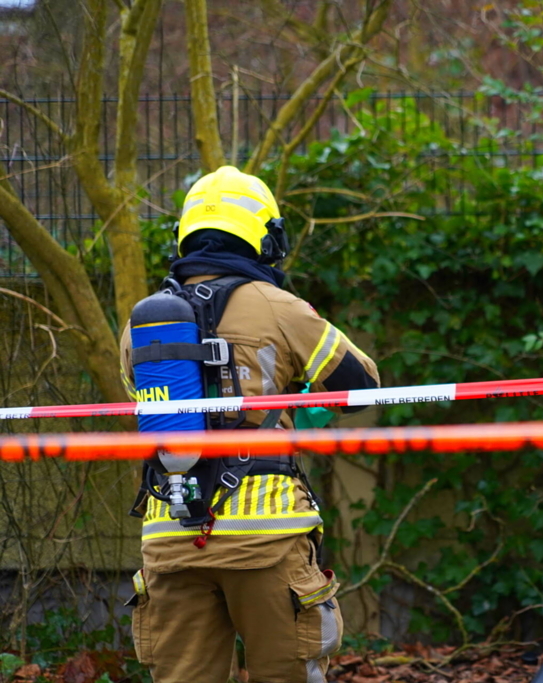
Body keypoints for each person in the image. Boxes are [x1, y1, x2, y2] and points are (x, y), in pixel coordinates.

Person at [119, 166, 380, 683]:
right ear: (266, 238)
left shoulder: (141, 326)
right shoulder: (279, 307)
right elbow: (362, 385)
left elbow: (140, 400)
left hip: (171, 536)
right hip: (265, 537)